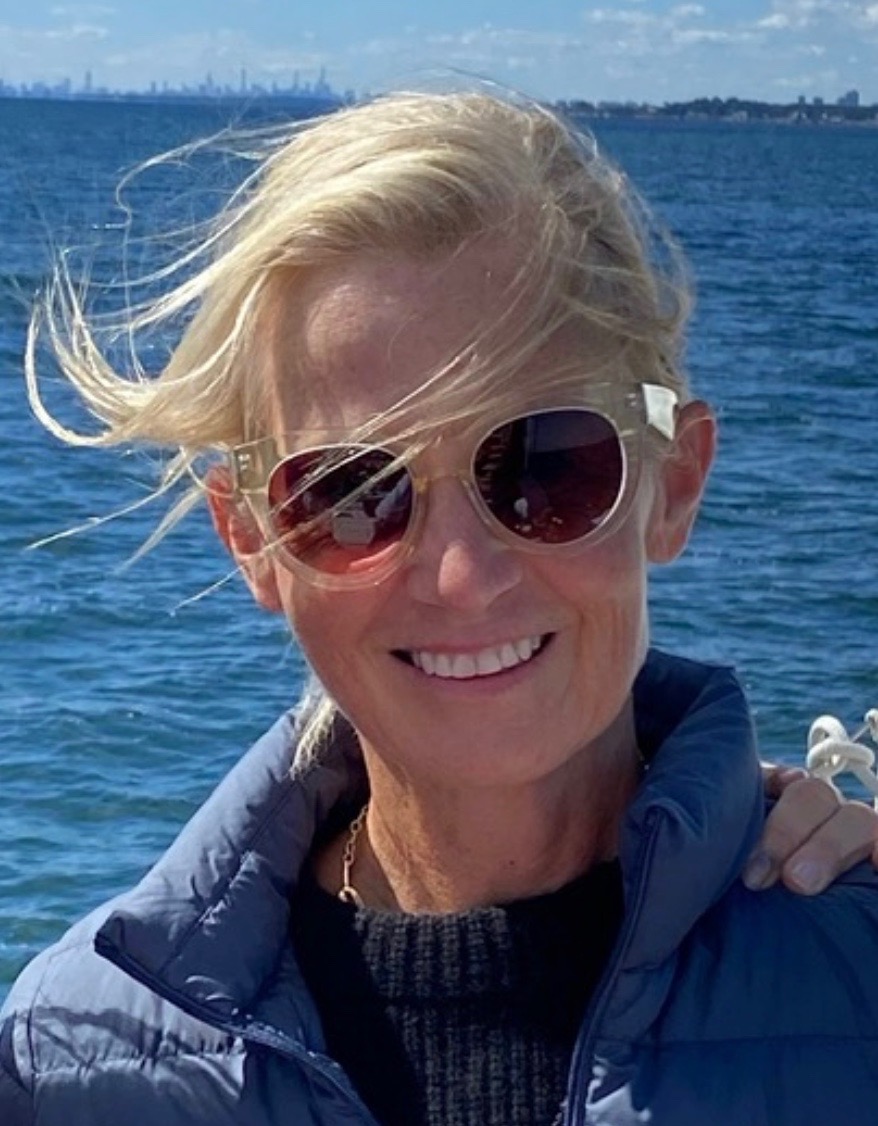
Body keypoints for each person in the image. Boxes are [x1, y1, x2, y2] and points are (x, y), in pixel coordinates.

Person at [2, 90, 878, 1126]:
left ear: (672, 483)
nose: (461, 574)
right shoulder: (74, 1063)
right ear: (252, 541)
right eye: (350, 492)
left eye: (547, 464)